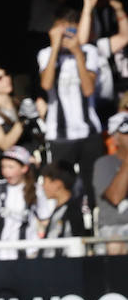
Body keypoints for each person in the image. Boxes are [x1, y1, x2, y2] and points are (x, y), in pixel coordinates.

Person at [38, 10, 103, 202]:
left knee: (93, 186)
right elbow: (46, 84)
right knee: (62, 186)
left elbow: (89, 89)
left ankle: (92, 219)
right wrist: (55, 46)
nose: (66, 35)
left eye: (70, 29)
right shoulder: (46, 54)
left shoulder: (89, 51)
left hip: (89, 131)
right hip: (59, 134)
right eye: (61, 29)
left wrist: (77, 53)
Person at [0, 145, 52, 261]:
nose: (6, 171)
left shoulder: (36, 189)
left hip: (27, 253)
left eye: (10, 167)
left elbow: (45, 218)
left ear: (24, 168)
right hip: (0, 253)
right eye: (3, 167)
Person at [38, 161, 90, 256]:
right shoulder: (60, 210)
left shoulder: (72, 211)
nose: (42, 186)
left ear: (57, 184)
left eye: (45, 182)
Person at [95, 112, 128, 255]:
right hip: (115, 229)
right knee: (116, 244)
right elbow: (115, 197)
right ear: (114, 138)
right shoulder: (104, 164)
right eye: (126, 133)